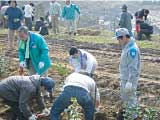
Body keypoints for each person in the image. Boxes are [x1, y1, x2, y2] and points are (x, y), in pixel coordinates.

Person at [115, 28, 141, 119]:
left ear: (125, 37)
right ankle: (128, 115)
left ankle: (132, 117)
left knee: (131, 99)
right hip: (125, 79)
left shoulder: (132, 50)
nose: (118, 41)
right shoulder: (126, 47)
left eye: (119, 39)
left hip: (129, 80)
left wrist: (130, 82)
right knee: (126, 99)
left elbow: (133, 68)